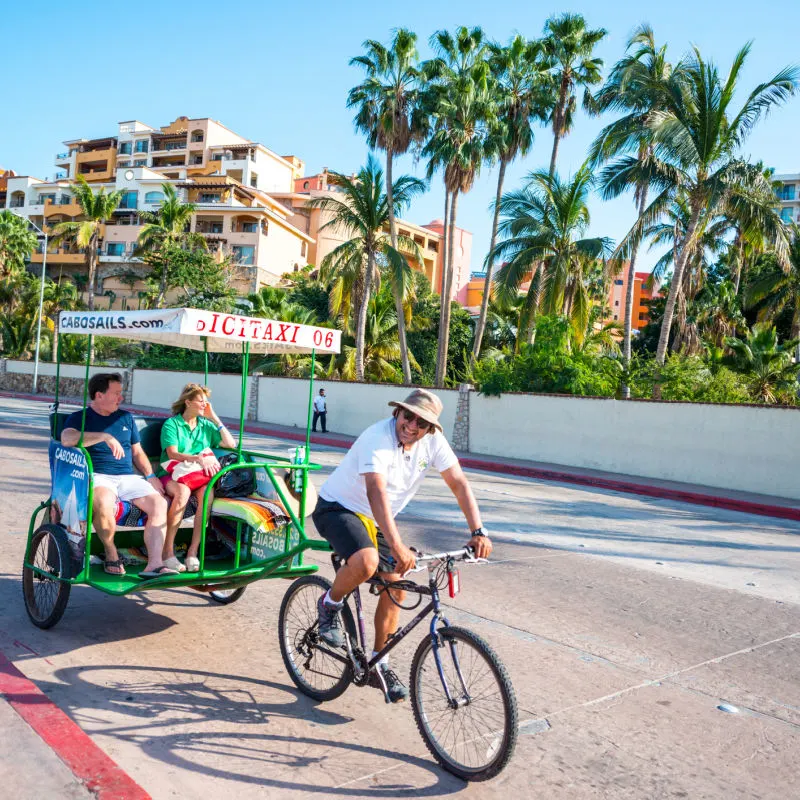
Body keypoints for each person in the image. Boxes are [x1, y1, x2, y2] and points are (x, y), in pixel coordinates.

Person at [312, 388, 492, 702]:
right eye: (408, 415)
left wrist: (478, 530)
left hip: (377, 518)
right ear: (398, 412)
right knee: (367, 562)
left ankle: (380, 663)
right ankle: (329, 604)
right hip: (338, 507)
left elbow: (458, 483)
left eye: (421, 423)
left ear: (429, 429)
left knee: (398, 585)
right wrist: (396, 545)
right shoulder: (376, 437)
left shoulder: (433, 442)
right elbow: (376, 491)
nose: (412, 425)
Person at [61, 373, 176, 578]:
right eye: (116, 393)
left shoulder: (126, 417)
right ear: (99, 395)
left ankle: (155, 564)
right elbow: (67, 438)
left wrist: (150, 476)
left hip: (128, 478)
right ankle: (111, 552)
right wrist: (104, 436)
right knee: (104, 502)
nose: (120, 398)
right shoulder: (80, 417)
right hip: (98, 476)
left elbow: (138, 452)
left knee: (159, 504)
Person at [158, 383, 236, 572]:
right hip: (172, 474)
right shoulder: (172, 424)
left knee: (207, 496)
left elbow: (231, 444)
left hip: (197, 476)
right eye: (201, 401)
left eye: (206, 402)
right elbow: (173, 453)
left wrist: (215, 418)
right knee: (183, 493)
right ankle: (167, 552)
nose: (204, 405)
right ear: (188, 402)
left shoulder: (206, 425)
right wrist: (198, 459)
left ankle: (192, 552)